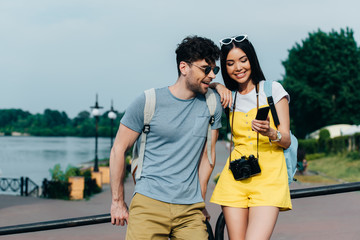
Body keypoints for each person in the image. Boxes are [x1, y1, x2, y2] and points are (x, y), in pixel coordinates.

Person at [110, 36, 228, 240]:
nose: (211, 75)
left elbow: (207, 158)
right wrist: (117, 202)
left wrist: (199, 201)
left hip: (190, 210)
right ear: (184, 67)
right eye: (205, 69)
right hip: (149, 204)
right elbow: (118, 150)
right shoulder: (148, 101)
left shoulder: (212, 105)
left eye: (214, 70)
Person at [210, 35, 292, 240]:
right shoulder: (229, 96)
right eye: (230, 63)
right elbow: (201, 85)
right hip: (236, 176)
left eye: (243, 60)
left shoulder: (272, 90)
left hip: (269, 179)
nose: (238, 67)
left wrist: (272, 133)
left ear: (252, 60)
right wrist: (218, 86)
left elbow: (287, 139)